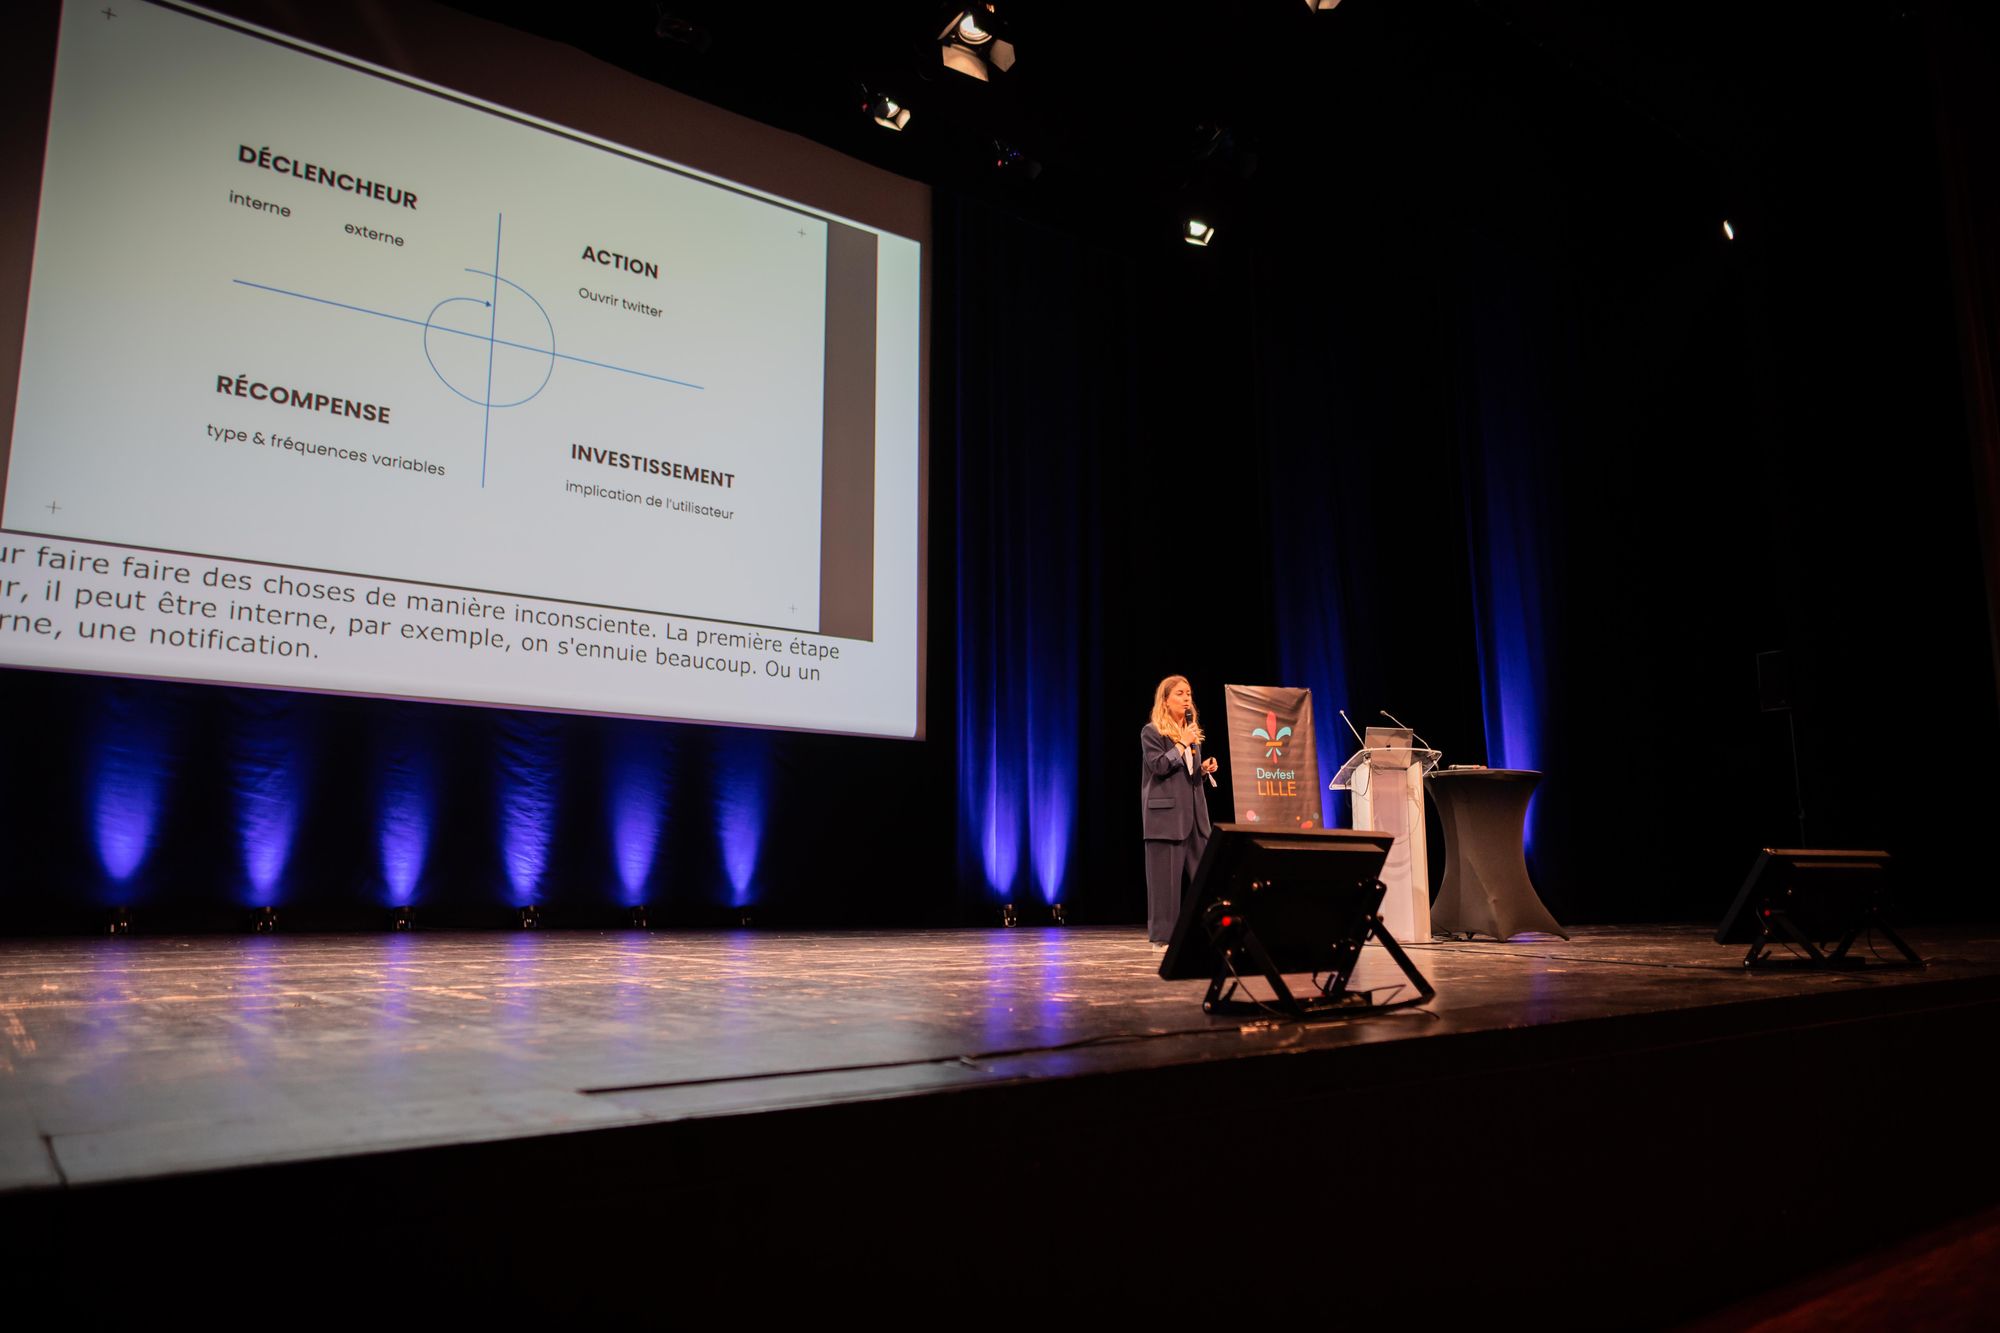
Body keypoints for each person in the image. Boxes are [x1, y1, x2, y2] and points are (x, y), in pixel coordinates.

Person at [1140, 675, 1217, 946]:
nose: (1187, 698)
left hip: (1195, 817)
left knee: (1206, 881)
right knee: (1165, 885)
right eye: (1180, 693)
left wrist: (1203, 770)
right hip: (1166, 818)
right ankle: (1163, 938)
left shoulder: (1191, 732)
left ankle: (1208, 935)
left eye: (1189, 693)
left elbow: (1187, 776)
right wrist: (1182, 743)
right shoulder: (1152, 732)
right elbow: (1159, 766)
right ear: (1165, 700)